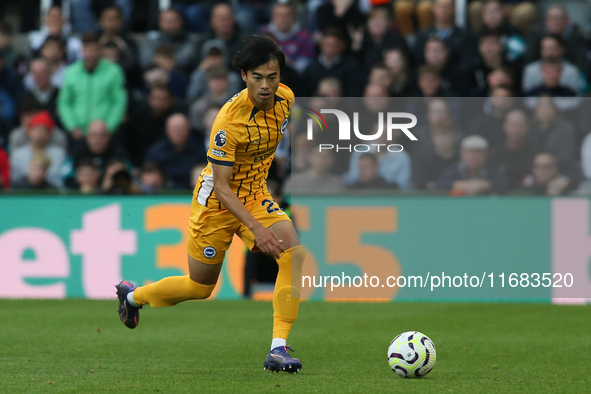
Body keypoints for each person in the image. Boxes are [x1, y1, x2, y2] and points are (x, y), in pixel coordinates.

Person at [116, 36, 304, 374]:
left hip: (255, 194)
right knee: (200, 287)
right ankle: (133, 297)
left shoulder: (286, 100)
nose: (266, 86)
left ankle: (278, 347)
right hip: (216, 204)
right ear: (244, 76)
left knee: (293, 252)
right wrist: (257, 230)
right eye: (258, 77)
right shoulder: (228, 122)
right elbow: (221, 186)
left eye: (272, 77)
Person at [57, 33, 127, 143]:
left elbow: (118, 101)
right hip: (78, 133)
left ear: (100, 50)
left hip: (105, 133)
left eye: (95, 49)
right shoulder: (70, 72)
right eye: (88, 49)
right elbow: (64, 103)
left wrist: (108, 127)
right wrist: (72, 126)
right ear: (82, 50)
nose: (91, 53)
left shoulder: (114, 71)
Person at [436, 135, 508, 195]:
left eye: (478, 152)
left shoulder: (492, 168)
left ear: (485, 154)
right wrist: (465, 185)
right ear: (462, 153)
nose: (473, 156)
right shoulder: (453, 169)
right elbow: (440, 184)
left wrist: (484, 185)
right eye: (469, 152)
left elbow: (504, 183)